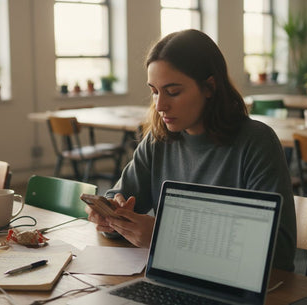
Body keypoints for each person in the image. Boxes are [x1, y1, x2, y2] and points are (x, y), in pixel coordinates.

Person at [85, 29, 296, 271]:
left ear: (209, 87)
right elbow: (117, 198)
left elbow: (279, 252)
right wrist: (110, 217)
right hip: (175, 276)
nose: (160, 105)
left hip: (236, 285)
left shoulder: (256, 142)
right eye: (154, 91)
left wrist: (166, 236)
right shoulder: (158, 140)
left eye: (173, 92)